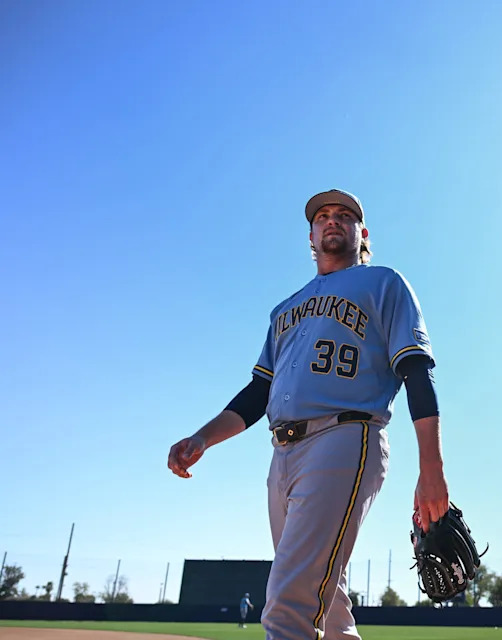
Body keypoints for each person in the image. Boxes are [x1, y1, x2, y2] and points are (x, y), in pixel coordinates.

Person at [167, 189, 450, 640]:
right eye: (322, 216)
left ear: (362, 233)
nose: (331, 220)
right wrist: (203, 437)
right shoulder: (283, 309)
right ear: (312, 235)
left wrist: (430, 468)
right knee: (328, 605)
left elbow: (417, 372)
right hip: (282, 456)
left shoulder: (383, 283)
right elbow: (259, 391)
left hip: (345, 437)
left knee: (287, 607)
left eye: (343, 215)